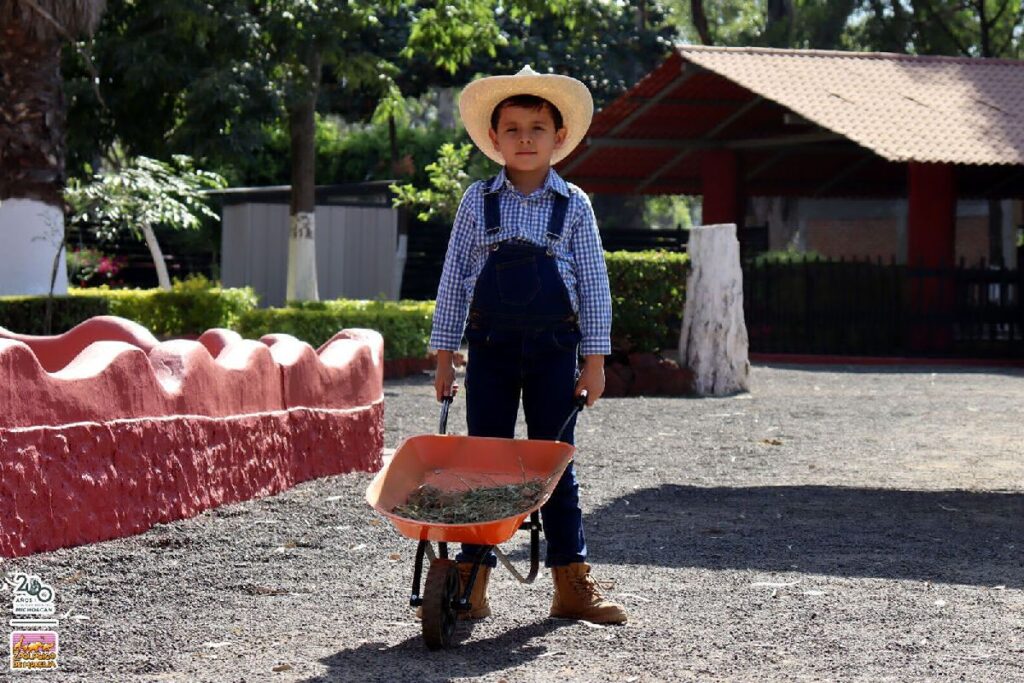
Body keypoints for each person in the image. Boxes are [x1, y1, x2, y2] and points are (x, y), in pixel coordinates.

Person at [429, 65, 626, 625]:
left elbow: (593, 286)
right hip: (488, 349)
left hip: (553, 352)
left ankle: (571, 583)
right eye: (511, 128)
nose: (523, 138)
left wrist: (595, 362)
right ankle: (471, 580)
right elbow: (453, 280)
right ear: (493, 138)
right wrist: (444, 357)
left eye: (536, 128)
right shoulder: (477, 201)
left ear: (558, 137)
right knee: (483, 465)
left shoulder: (575, 205)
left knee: (553, 464)